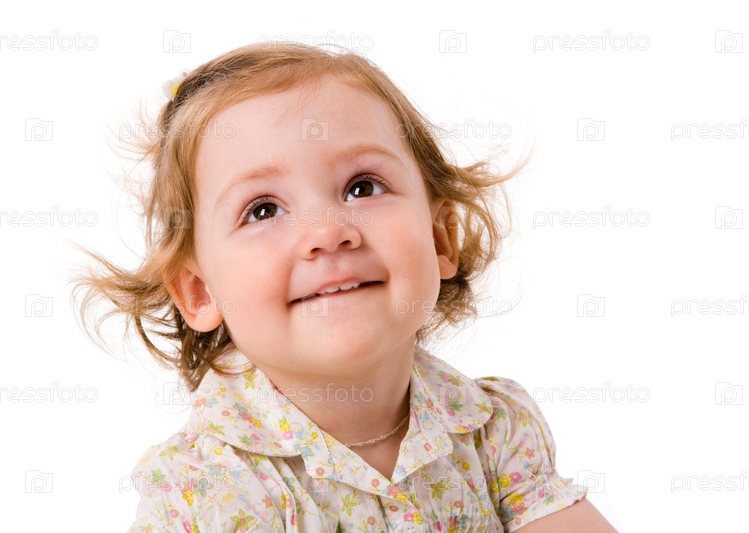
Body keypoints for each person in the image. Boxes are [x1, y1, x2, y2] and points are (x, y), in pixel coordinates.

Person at [74, 41, 616, 532]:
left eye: (363, 187)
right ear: (199, 292)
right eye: (263, 210)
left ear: (440, 238)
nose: (327, 232)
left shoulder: (494, 430)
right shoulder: (207, 491)